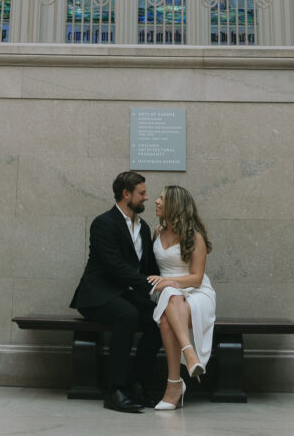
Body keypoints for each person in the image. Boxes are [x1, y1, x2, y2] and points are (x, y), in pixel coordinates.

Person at [70, 171, 162, 414]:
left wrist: (166, 284)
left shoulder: (143, 228)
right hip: (97, 295)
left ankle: (138, 384)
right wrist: (151, 284)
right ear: (126, 194)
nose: (146, 197)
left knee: (159, 317)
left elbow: (148, 268)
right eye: (141, 193)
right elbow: (115, 267)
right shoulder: (103, 223)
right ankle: (115, 391)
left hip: (125, 294)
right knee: (128, 315)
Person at [148, 185, 216, 410]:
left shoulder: (195, 236)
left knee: (168, 308)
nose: (156, 201)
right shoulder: (157, 231)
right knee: (169, 295)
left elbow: (196, 278)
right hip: (169, 295)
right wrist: (165, 283)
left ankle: (175, 384)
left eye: (161, 198)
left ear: (174, 205)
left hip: (196, 293)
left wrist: (169, 281)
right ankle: (189, 357)